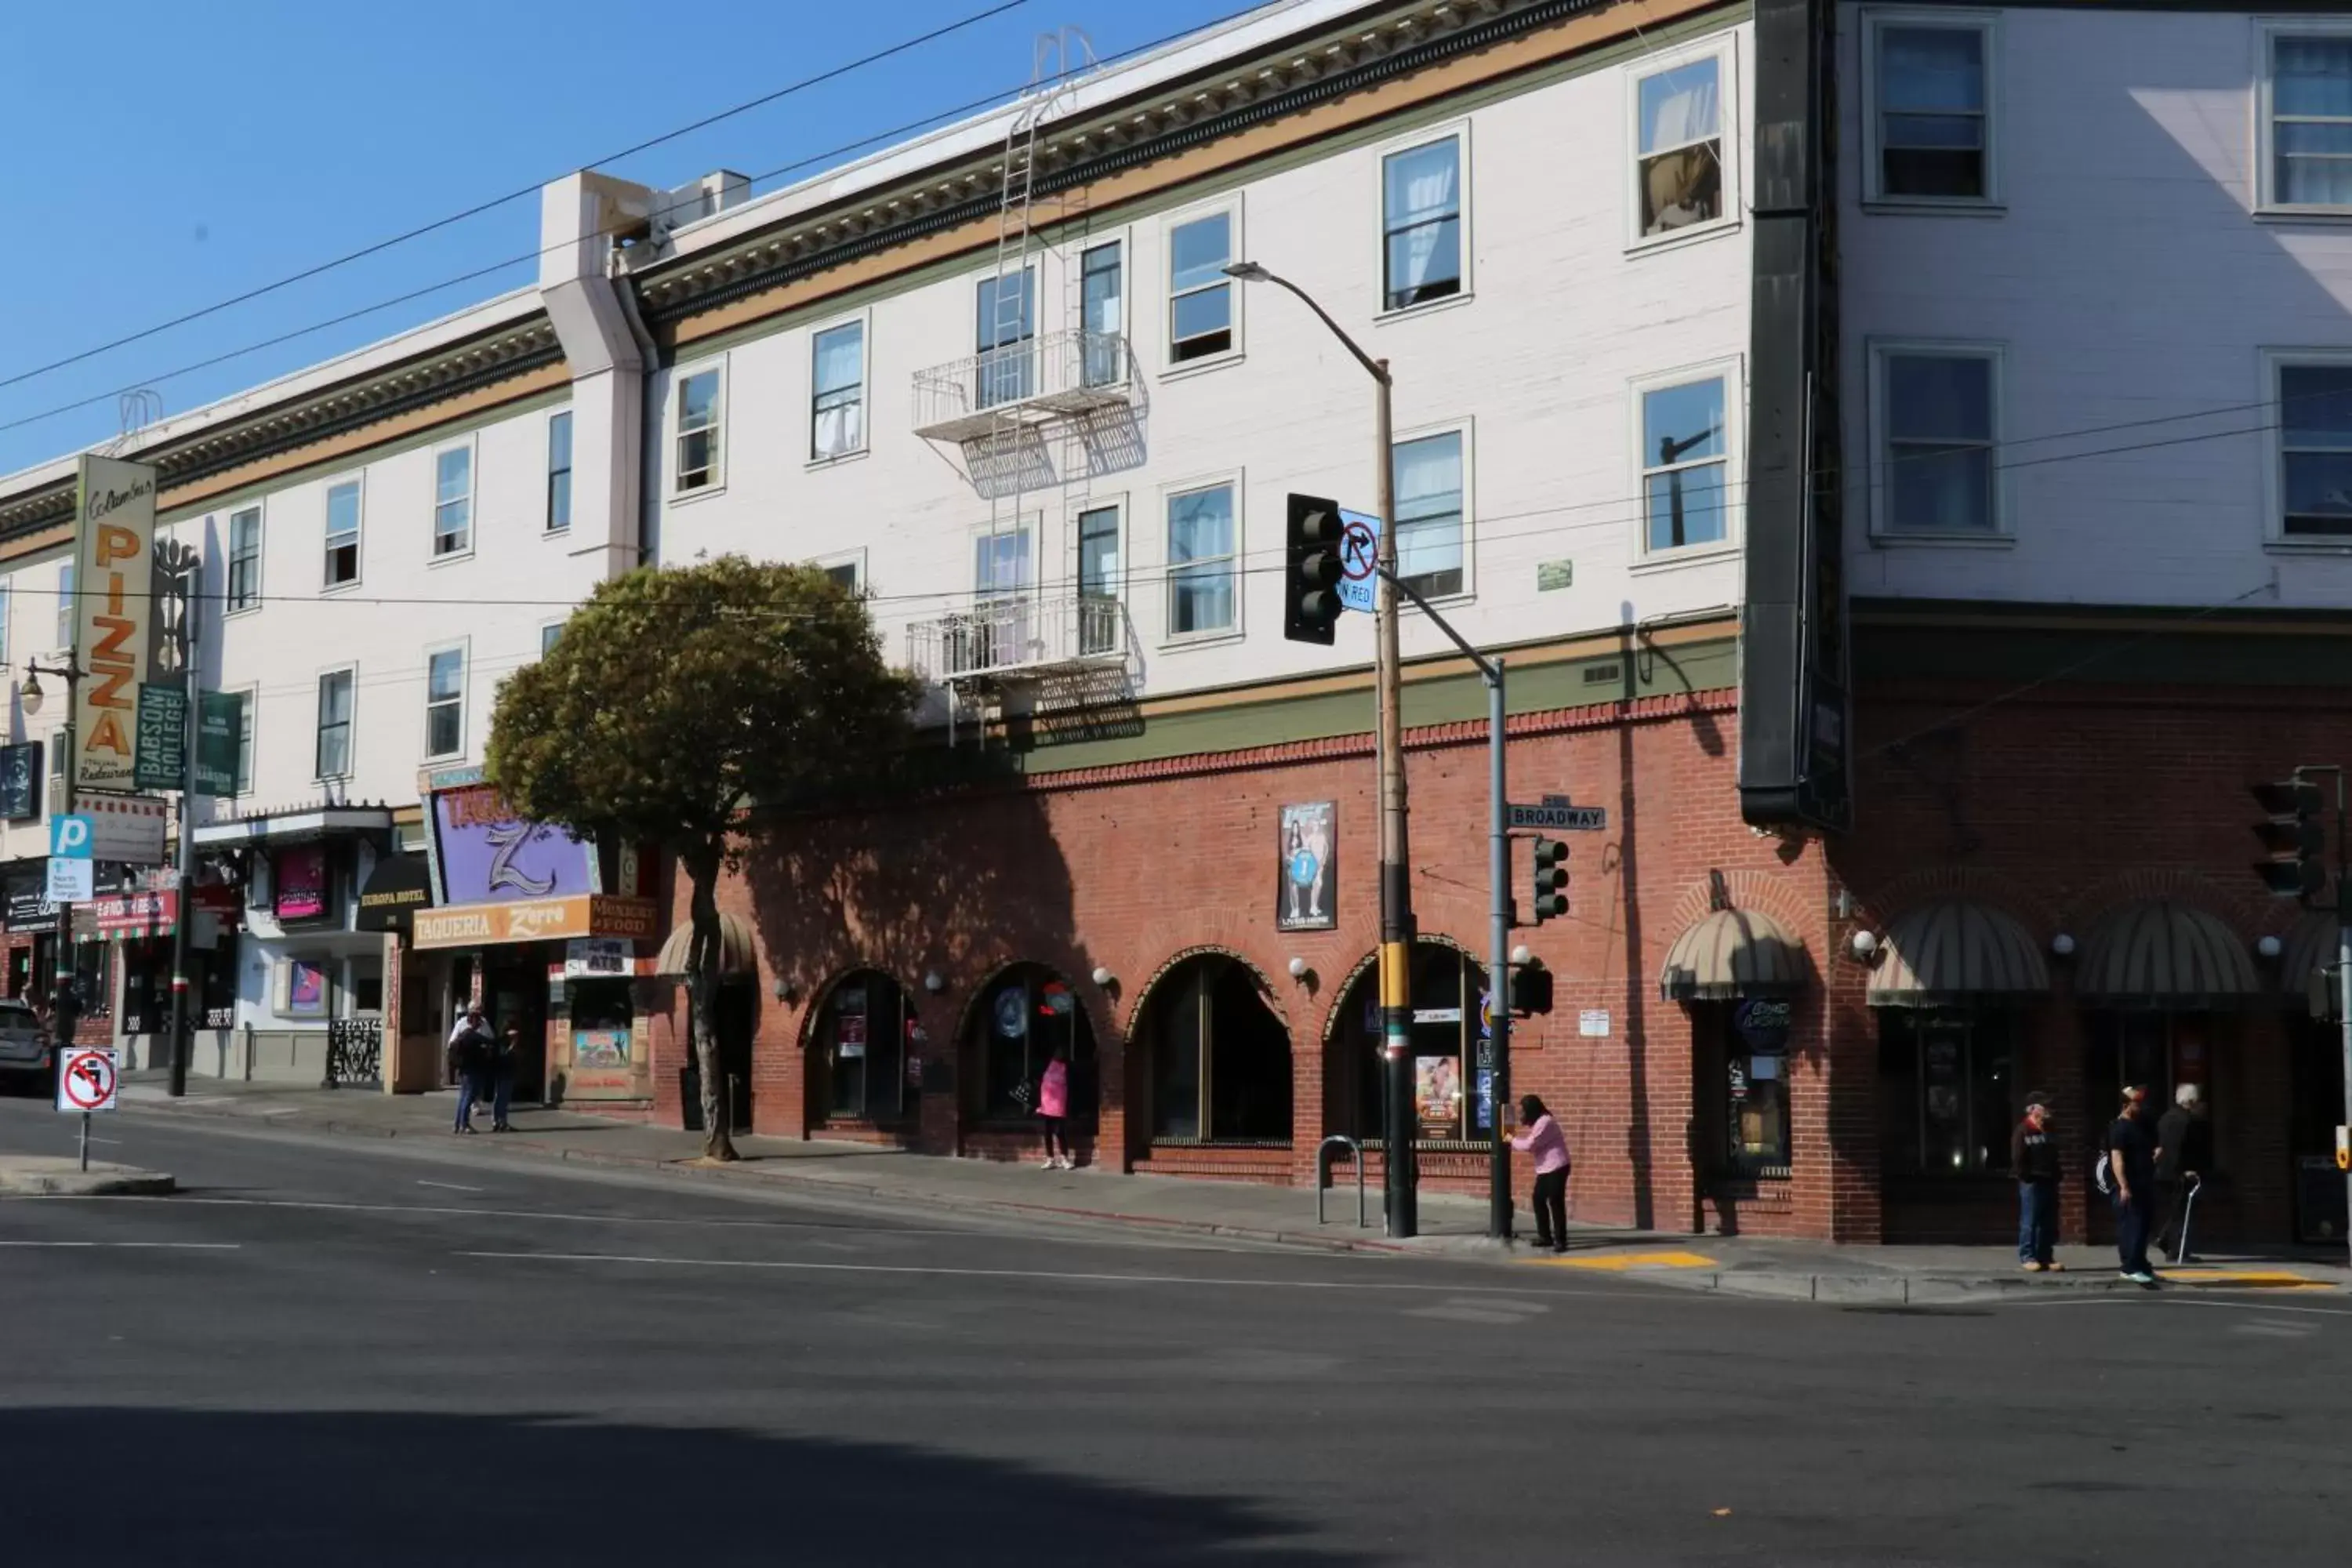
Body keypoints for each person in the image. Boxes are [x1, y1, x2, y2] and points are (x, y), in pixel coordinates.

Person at [2107, 1084, 2160, 1286]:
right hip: (2129, 1185)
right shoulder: (2119, 1129)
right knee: (2131, 1226)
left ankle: (2142, 1264)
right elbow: (2117, 1158)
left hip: (2144, 1181)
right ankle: (2129, 1267)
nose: (2141, 1106)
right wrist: (2124, 1186)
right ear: (2125, 1105)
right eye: (2136, 1103)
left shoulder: (2140, 1125)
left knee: (2144, 1225)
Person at [2155, 1083, 2211, 1264]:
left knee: (2176, 1210)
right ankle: (2178, 1250)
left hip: (2165, 1172)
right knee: (2184, 1212)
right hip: (2181, 1173)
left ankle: (2166, 1240)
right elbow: (2179, 1149)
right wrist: (2184, 1170)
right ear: (2192, 1101)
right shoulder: (2187, 1121)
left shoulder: (2166, 1117)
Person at [1511, 1094, 1572, 1254]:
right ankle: (1545, 1237)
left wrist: (1511, 1140)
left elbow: (1530, 1145)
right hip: (1545, 1168)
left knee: (1555, 1202)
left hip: (1557, 1166)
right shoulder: (1539, 1122)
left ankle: (1561, 1240)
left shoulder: (1545, 1122)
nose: (1521, 1115)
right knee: (1538, 1199)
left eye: (1523, 1111)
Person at [2010, 1094, 2063, 1272]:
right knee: (2030, 1220)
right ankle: (2028, 1256)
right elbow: (2018, 1157)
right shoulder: (2023, 1130)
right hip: (2032, 1181)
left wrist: (2057, 1174)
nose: (2048, 1112)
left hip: (2049, 1179)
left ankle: (2045, 1256)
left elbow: (2055, 1155)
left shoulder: (2049, 1130)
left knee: (2048, 1221)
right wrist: (2025, 1176)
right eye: (2044, 1108)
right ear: (2033, 1109)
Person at [447, 1005, 494, 1134]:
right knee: (468, 1097)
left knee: (463, 1097)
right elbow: (491, 1041)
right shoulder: (472, 1035)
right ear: (475, 1022)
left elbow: (451, 1044)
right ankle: (464, 1124)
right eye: (479, 1022)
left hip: (463, 1069)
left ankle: (457, 1125)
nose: (480, 1024)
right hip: (473, 1070)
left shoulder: (464, 1033)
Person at [1036, 1047, 1073, 1171]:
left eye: (1061, 1052)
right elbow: (1039, 1080)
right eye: (1057, 1052)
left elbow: (1070, 1085)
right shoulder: (1047, 1064)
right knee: (1047, 1133)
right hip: (1046, 1105)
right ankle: (1050, 1158)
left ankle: (1064, 1158)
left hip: (1059, 1105)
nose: (1059, 1054)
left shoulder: (1066, 1067)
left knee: (1060, 1132)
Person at [491, 1022, 522, 1134]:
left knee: (502, 1098)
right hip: (504, 1073)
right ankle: (499, 1121)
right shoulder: (503, 1045)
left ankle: (500, 1121)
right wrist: (512, 1047)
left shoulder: (508, 1044)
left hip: (506, 1073)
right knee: (501, 1097)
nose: (516, 1038)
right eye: (514, 1035)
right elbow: (505, 1057)